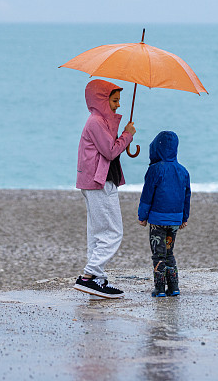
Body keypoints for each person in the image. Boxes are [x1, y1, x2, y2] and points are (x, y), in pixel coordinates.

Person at [73, 79, 136, 299]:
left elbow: (108, 149)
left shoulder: (100, 121)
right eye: (115, 100)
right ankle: (89, 276)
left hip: (95, 181)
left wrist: (122, 134)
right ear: (102, 100)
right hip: (99, 183)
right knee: (113, 232)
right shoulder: (96, 122)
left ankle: (95, 279)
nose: (118, 105)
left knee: (98, 232)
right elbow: (110, 151)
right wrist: (127, 136)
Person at [137, 130, 190, 297]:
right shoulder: (183, 171)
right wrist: (184, 217)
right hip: (175, 220)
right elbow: (186, 196)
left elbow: (147, 196)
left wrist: (142, 216)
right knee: (169, 252)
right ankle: (174, 287)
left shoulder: (155, 170)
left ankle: (159, 288)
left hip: (157, 220)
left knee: (158, 254)